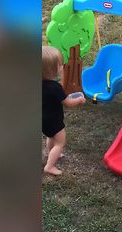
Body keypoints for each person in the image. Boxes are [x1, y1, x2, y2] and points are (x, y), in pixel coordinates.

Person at [42, 46, 86, 176]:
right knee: (60, 142)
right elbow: (68, 103)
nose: (62, 66)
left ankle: (52, 153)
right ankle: (49, 166)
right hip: (54, 120)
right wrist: (79, 101)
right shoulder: (55, 88)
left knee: (51, 136)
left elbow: (58, 90)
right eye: (60, 65)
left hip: (42, 119)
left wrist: (61, 77)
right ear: (52, 70)